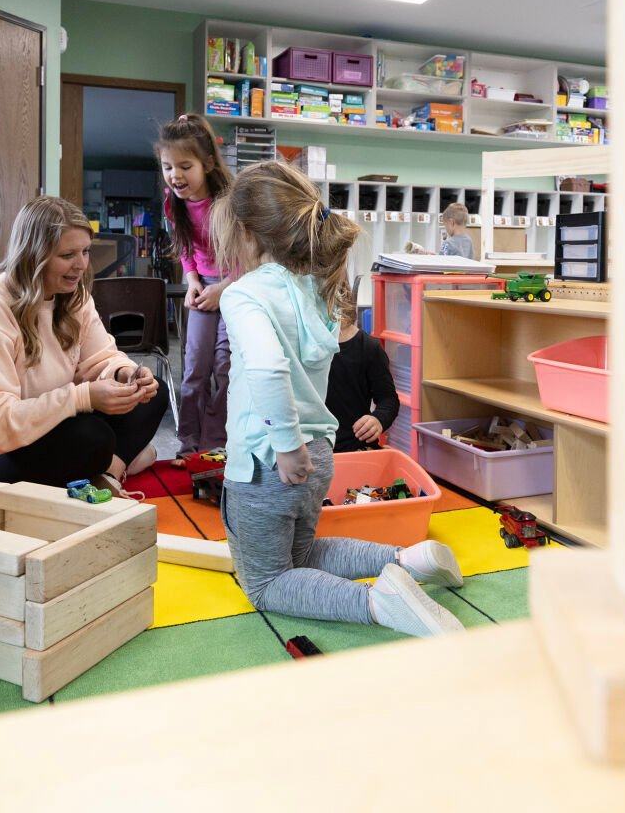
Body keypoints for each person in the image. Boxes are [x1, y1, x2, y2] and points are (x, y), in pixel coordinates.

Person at [213, 161, 465, 637]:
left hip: (269, 461)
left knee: (267, 582)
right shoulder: (316, 290)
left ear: (246, 234)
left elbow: (268, 369)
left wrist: (285, 445)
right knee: (302, 554)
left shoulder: (244, 294)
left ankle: (378, 602)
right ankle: (409, 559)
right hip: (319, 456)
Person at [0, 197, 168, 498]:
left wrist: (125, 375)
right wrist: (82, 397)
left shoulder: (72, 296)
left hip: (38, 428)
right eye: (67, 255)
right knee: (92, 437)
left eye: (85, 252)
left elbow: (101, 357)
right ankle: (113, 462)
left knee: (152, 393)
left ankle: (108, 473)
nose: (80, 265)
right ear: (33, 256)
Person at [158, 113, 234, 461]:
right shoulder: (173, 203)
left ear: (207, 163)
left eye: (185, 166)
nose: (175, 175)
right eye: (167, 167)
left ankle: (215, 444)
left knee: (226, 367)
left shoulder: (231, 202)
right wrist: (191, 282)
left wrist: (224, 288)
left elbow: (252, 259)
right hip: (203, 288)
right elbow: (186, 250)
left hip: (236, 287)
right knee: (193, 371)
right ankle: (188, 445)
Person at [327, 313, 399, 453]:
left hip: (354, 448)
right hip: (309, 448)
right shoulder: (299, 346)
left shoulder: (369, 347)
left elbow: (388, 399)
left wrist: (378, 419)